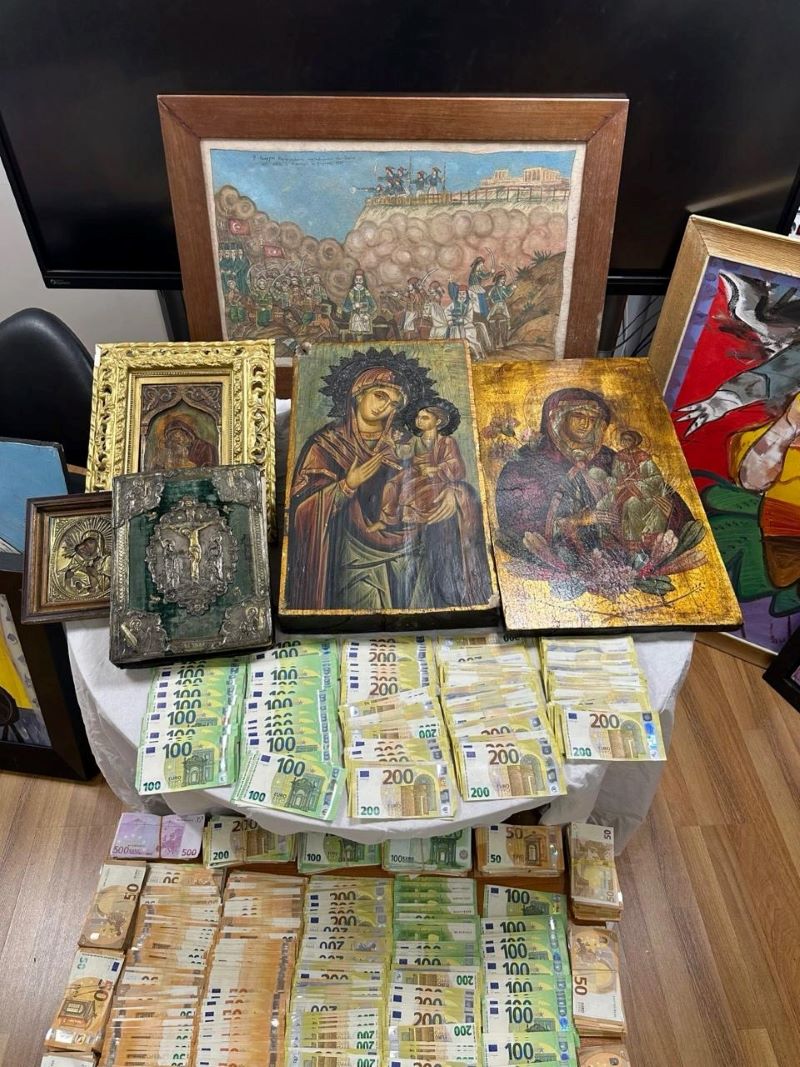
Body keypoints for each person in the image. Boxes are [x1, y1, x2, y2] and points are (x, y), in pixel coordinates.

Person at [495, 388, 695, 568]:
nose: (586, 424)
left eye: (593, 419)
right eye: (578, 415)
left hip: (621, 560)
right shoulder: (525, 464)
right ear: (557, 417)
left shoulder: (609, 457)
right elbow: (520, 530)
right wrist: (578, 520)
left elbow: (663, 497)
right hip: (567, 565)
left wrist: (668, 513)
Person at [365, 400, 492, 608]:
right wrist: (392, 445)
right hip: (416, 474)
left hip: (436, 479)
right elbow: (403, 454)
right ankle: (386, 519)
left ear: (438, 421)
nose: (419, 420)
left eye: (424, 417)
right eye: (418, 417)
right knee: (391, 485)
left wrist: (435, 470)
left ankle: (417, 515)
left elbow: (456, 466)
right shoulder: (416, 441)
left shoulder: (446, 442)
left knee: (421, 496)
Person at [486, 270, 516, 348]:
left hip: (502, 305)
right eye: (502, 279)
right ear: (498, 279)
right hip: (496, 305)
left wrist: (512, 289)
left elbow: (507, 295)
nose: (504, 280)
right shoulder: (494, 288)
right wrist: (492, 302)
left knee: (507, 318)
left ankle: (504, 341)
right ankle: (493, 341)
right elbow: (489, 296)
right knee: (490, 317)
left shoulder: (504, 288)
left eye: (504, 279)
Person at [342, 270, 377, 338]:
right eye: (356, 280)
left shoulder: (366, 292)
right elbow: (345, 308)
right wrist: (354, 306)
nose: (358, 281)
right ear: (354, 281)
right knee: (356, 337)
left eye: (360, 280)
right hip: (355, 318)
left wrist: (368, 315)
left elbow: (374, 306)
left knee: (365, 337)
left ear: (363, 281)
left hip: (365, 318)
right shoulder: (351, 293)